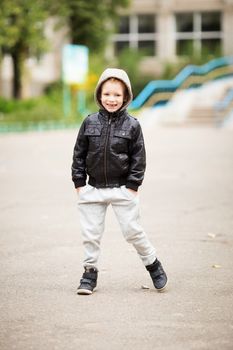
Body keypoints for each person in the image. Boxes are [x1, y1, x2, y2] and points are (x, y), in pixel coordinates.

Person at [72, 68, 168, 295]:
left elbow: (139, 156)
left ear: (125, 97)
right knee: (90, 234)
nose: (111, 99)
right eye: (107, 94)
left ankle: (152, 263)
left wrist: (133, 185)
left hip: (123, 188)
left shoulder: (132, 125)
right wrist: (79, 183)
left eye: (117, 95)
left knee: (132, 231)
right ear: (99, 95)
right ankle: (89, 273)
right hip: (93, 189)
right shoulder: (89, 122)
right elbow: (78, 153)